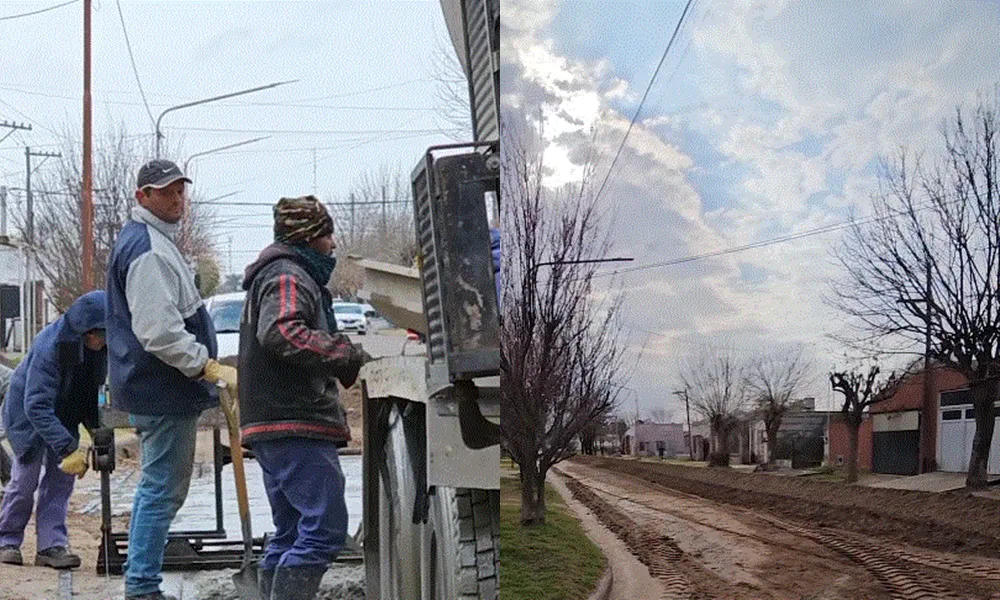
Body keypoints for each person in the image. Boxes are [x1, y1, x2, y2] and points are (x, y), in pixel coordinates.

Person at [106, 159, 237, 600]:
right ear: (143, 196)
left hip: (157, 387)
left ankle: (141, 580)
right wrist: (202, 363)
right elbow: (159, 331)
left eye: (181, 189)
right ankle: (142, 586)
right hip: (161, 387)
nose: (177, 198)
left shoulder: (154, 242)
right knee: (162, 490)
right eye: (166, 191)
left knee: (159, 488)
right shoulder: (147, 249)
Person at [239, 195, 366, 600]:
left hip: (271, 424)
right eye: (328, 235)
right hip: (294, 421)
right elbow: (281, 332)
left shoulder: (276, 273)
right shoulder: (288, 276)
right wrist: (342, 353)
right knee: (325, 528)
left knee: (292, 530)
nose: (332, 246)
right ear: (311, 238)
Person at [0, 291, 107, 570]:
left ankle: (51, 545)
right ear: (87, 331)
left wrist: (98, 433)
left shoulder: (98, 350)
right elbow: (36, 404)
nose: (105, 341)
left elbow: (88, 395)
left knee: (60, 482)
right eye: (101, 335)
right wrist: (68, 447)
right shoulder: (52, 346)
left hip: (64, 411)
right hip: (28, 413)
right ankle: (7, 540)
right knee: (25, 480)